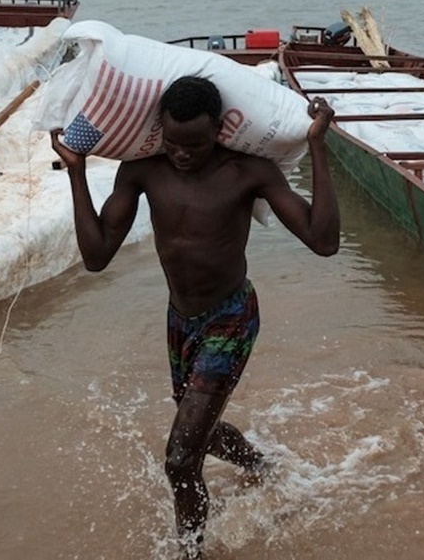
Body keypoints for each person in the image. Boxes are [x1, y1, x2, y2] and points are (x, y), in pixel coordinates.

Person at [50, 76, 340, 556]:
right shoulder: (142, 171)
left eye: (196, 144)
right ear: (159, 131)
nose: (182, 154)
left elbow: (323, 241)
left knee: (180, 458)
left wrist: (318, 150)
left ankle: (190, 552)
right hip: (180, 320)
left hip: (230, 317)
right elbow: (97, 255)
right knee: (195, 430)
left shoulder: (248, 173)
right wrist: (77, 173)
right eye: (173, 142)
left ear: (220, 131)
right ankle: (263, 466)